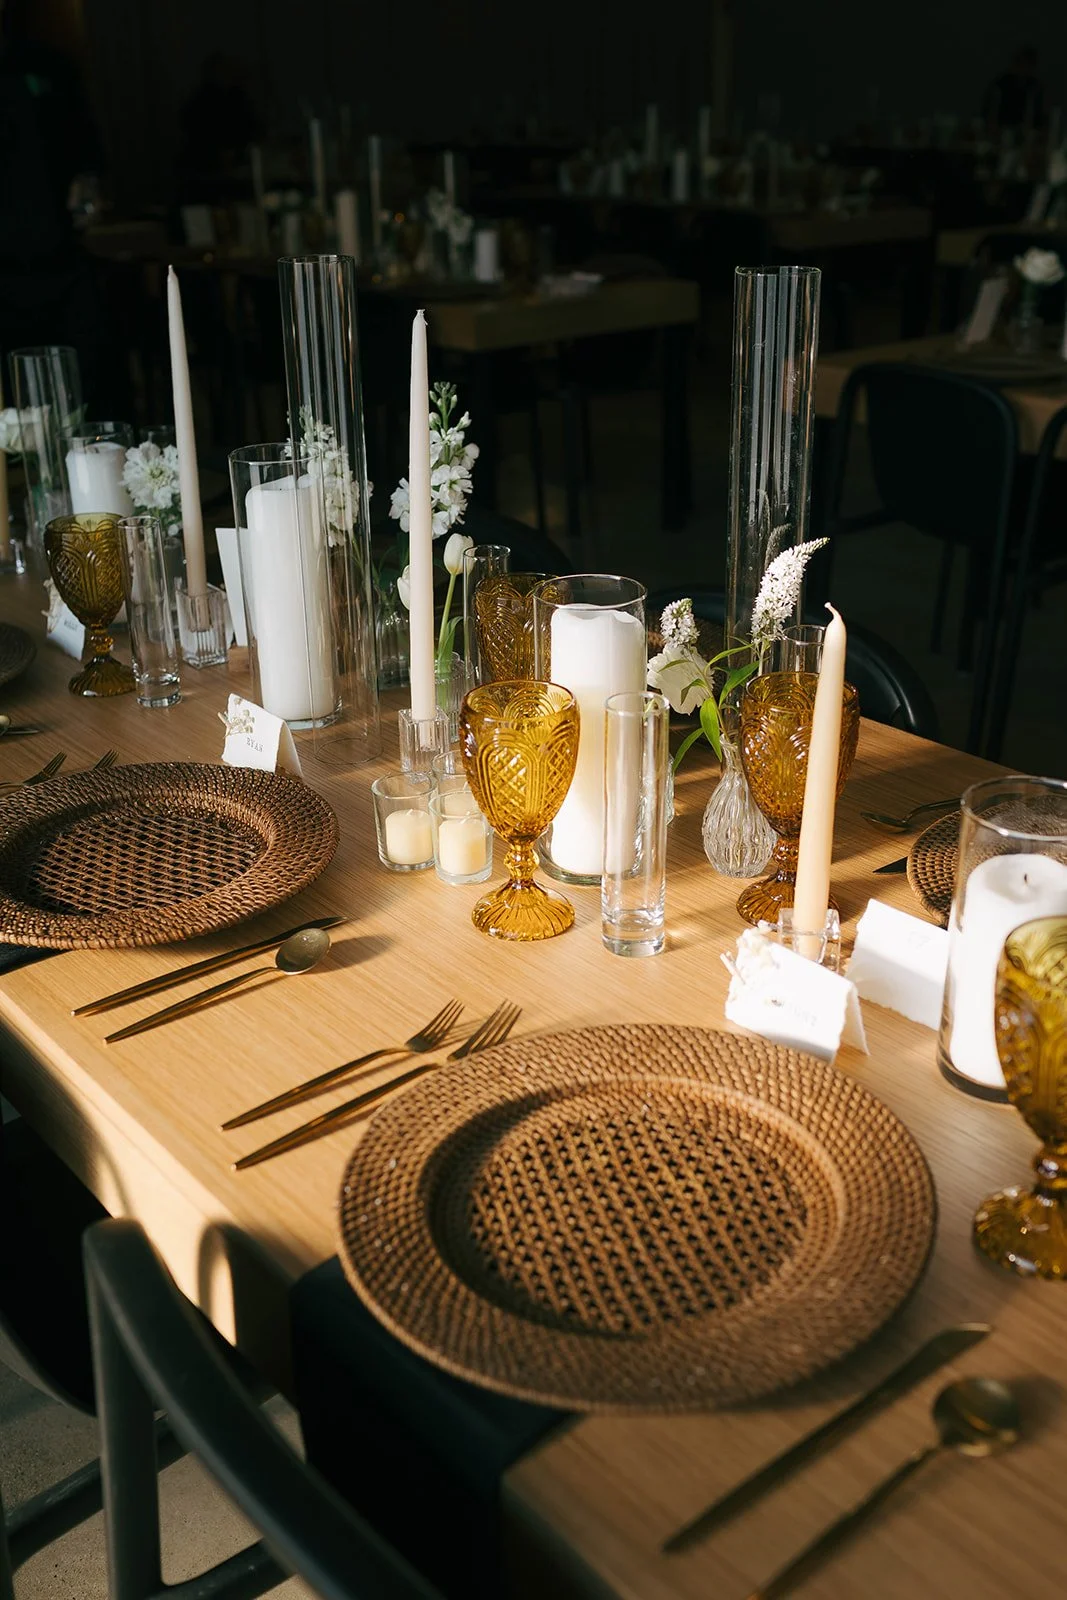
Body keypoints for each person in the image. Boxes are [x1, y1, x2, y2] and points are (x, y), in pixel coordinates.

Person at [0, 0, 128, 415]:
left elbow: (88, 153)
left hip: (60, 258)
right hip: (6, 270)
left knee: (90, 383)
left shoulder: (47, 66)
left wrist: (87, 195)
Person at [983, 45, 1045, 133]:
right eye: (1021, 64)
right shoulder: (1001, 84)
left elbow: (1038, 117)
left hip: (1027, 134)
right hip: (1002, 132)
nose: (1024, 68)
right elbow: (991, 114)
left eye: (1028, 65)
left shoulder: (1034, 87)